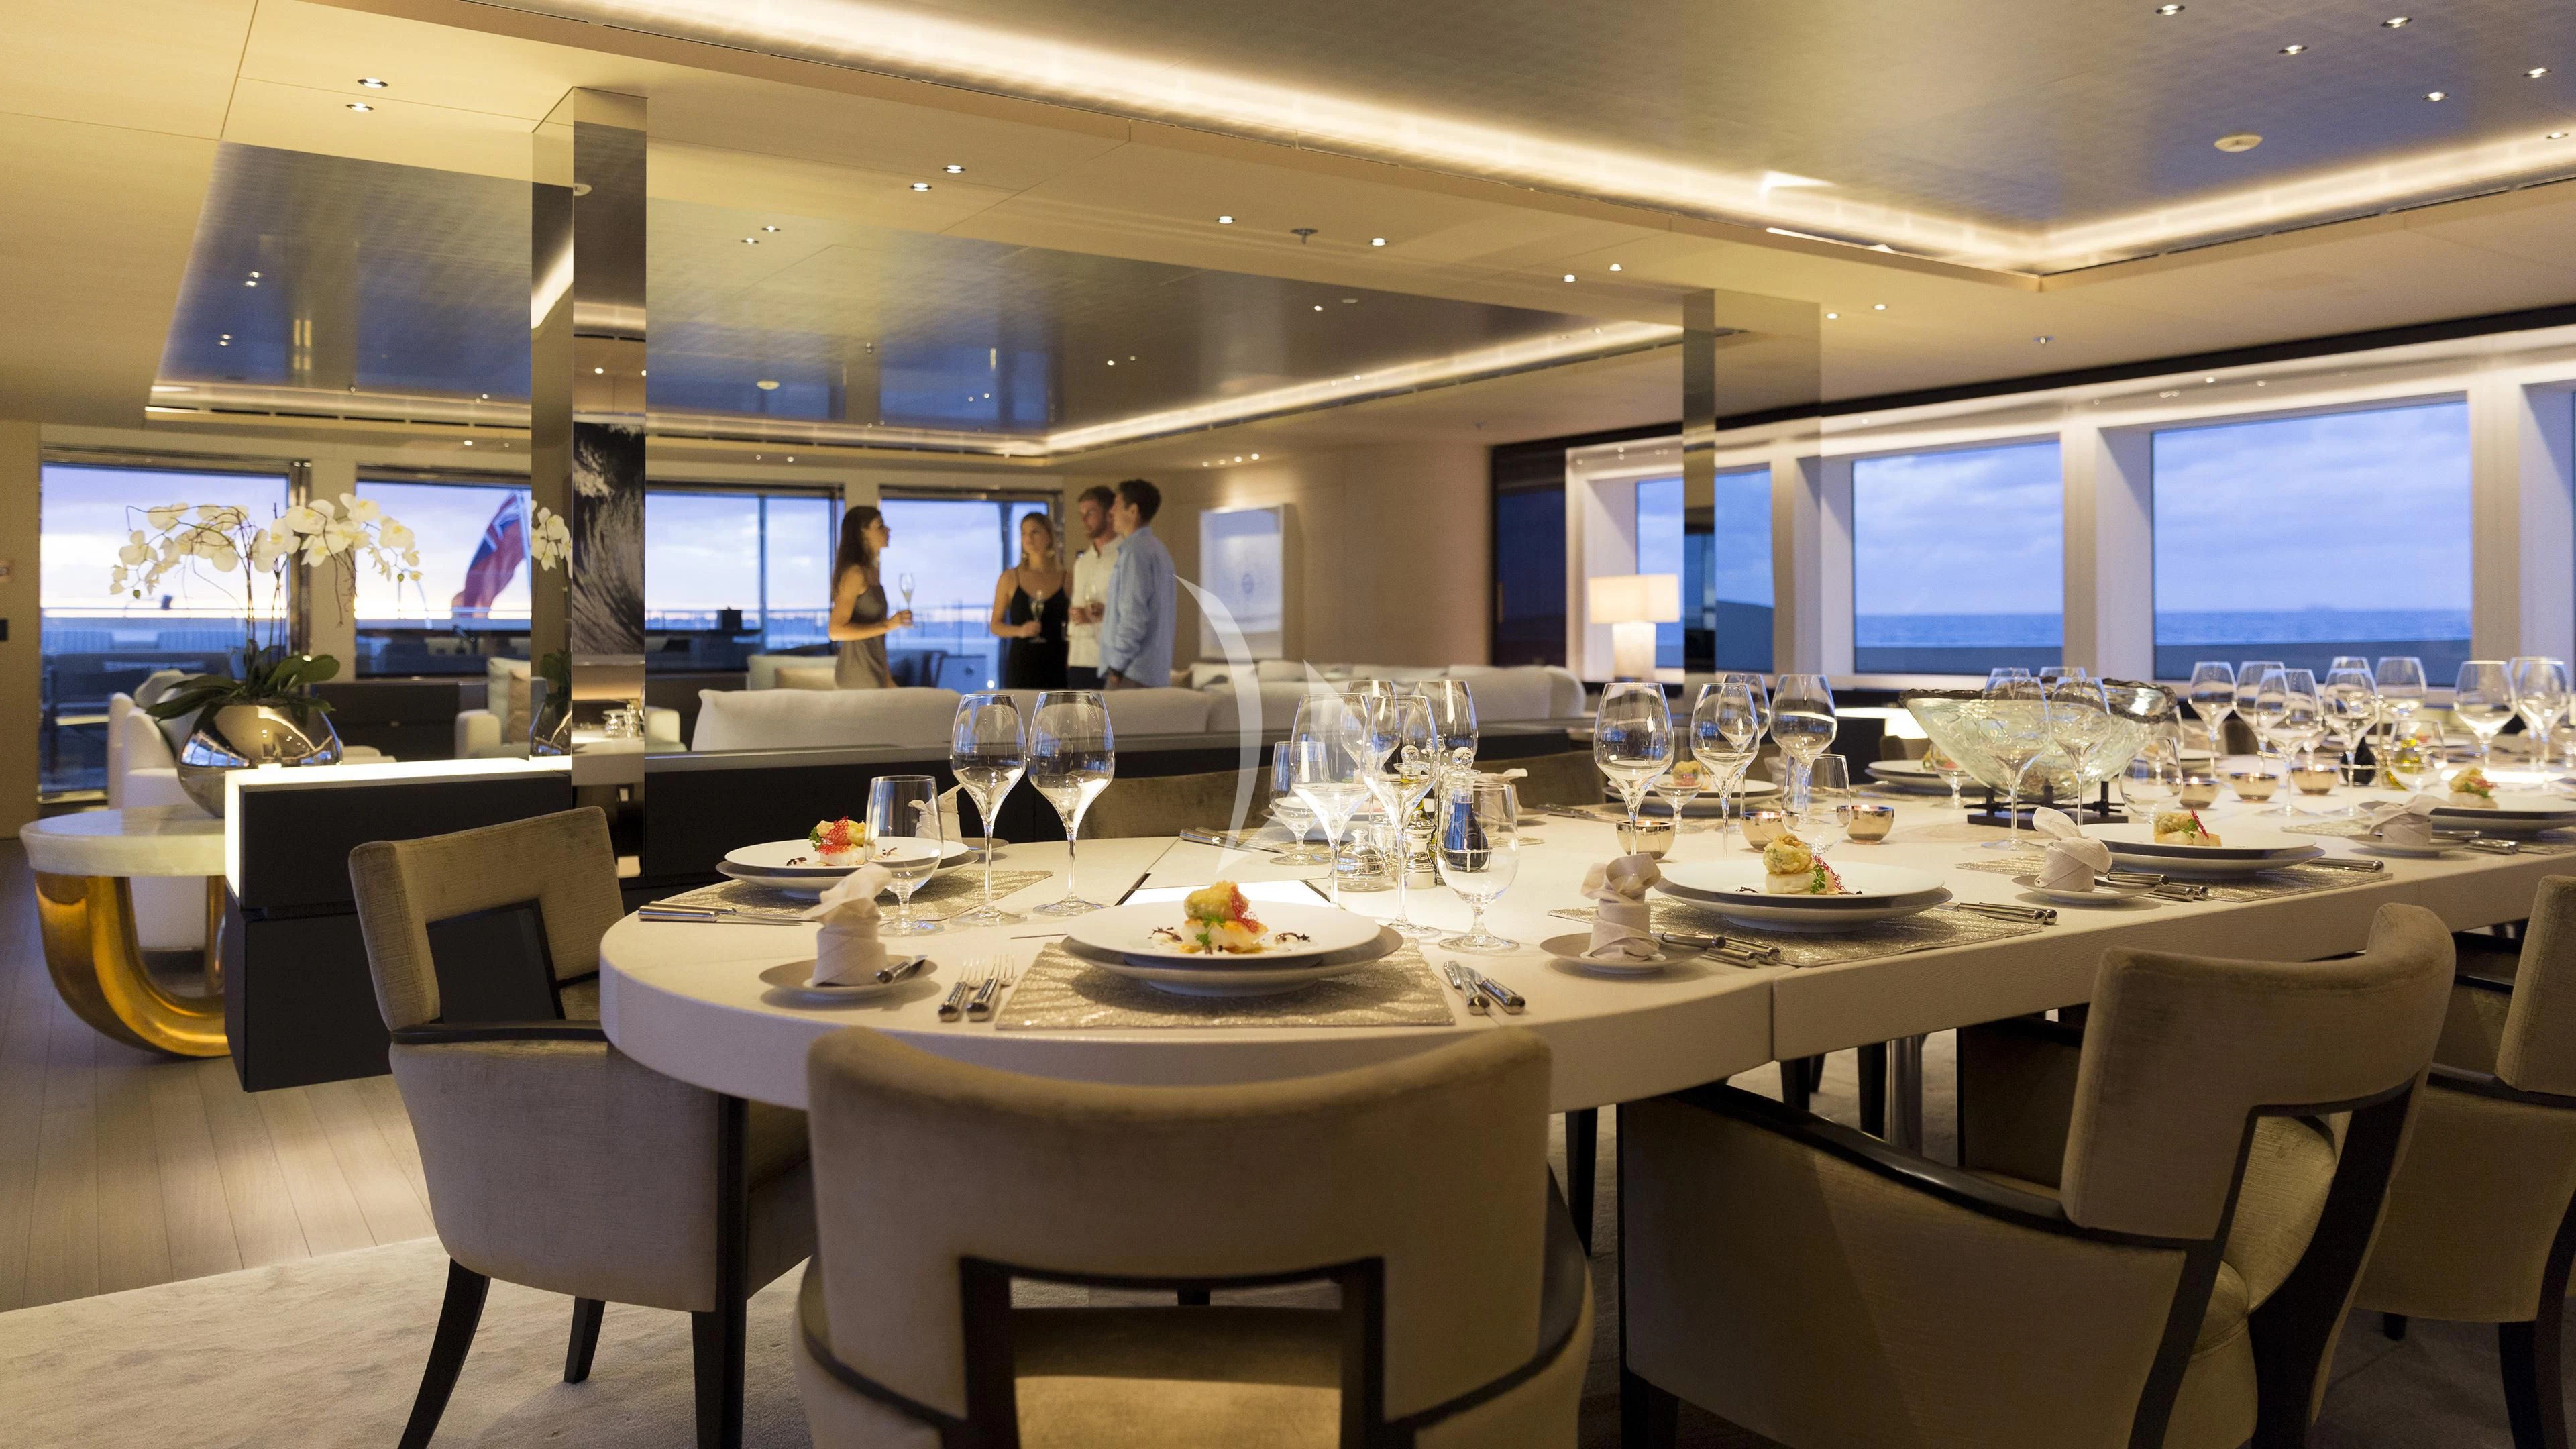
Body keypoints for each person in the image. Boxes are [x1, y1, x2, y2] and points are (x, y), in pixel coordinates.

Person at [1097, 477, 1175, 690]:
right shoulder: (1158, 549)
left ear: (1133, 512)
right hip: (1151, 673)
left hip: (1131, 674)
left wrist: (1116, 667)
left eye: (1116, 505)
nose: (1111, 512)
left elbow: (1133, 617)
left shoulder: (1135, 553)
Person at [827, 504, 912, 688]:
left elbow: (877, 640)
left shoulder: (872, 572)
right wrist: (888, 625)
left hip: (875, 673)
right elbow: (835, 631)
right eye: (881, 526)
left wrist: (887, 678)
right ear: (862, 533)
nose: (888, 530)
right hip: (857, 676)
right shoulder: (854, 574)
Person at [989, 511, 1069, 690]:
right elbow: (995, 625)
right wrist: (1020, 631)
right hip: (1022, 664)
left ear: (1049, 536)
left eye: (1035, 532)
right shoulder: (1010, 578)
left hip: (1057, 662)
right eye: (1024, 533)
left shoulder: (1066, 578)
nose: (1028, 539)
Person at [1063, 484, 1120, 690]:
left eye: (1091, 513)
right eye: (1082, 514)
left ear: (1109, 514)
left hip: (1108, 658)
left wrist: (1100, 613)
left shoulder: (1123, 557)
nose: (1084, 520)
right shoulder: (1083, 562)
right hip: (1079, 658)